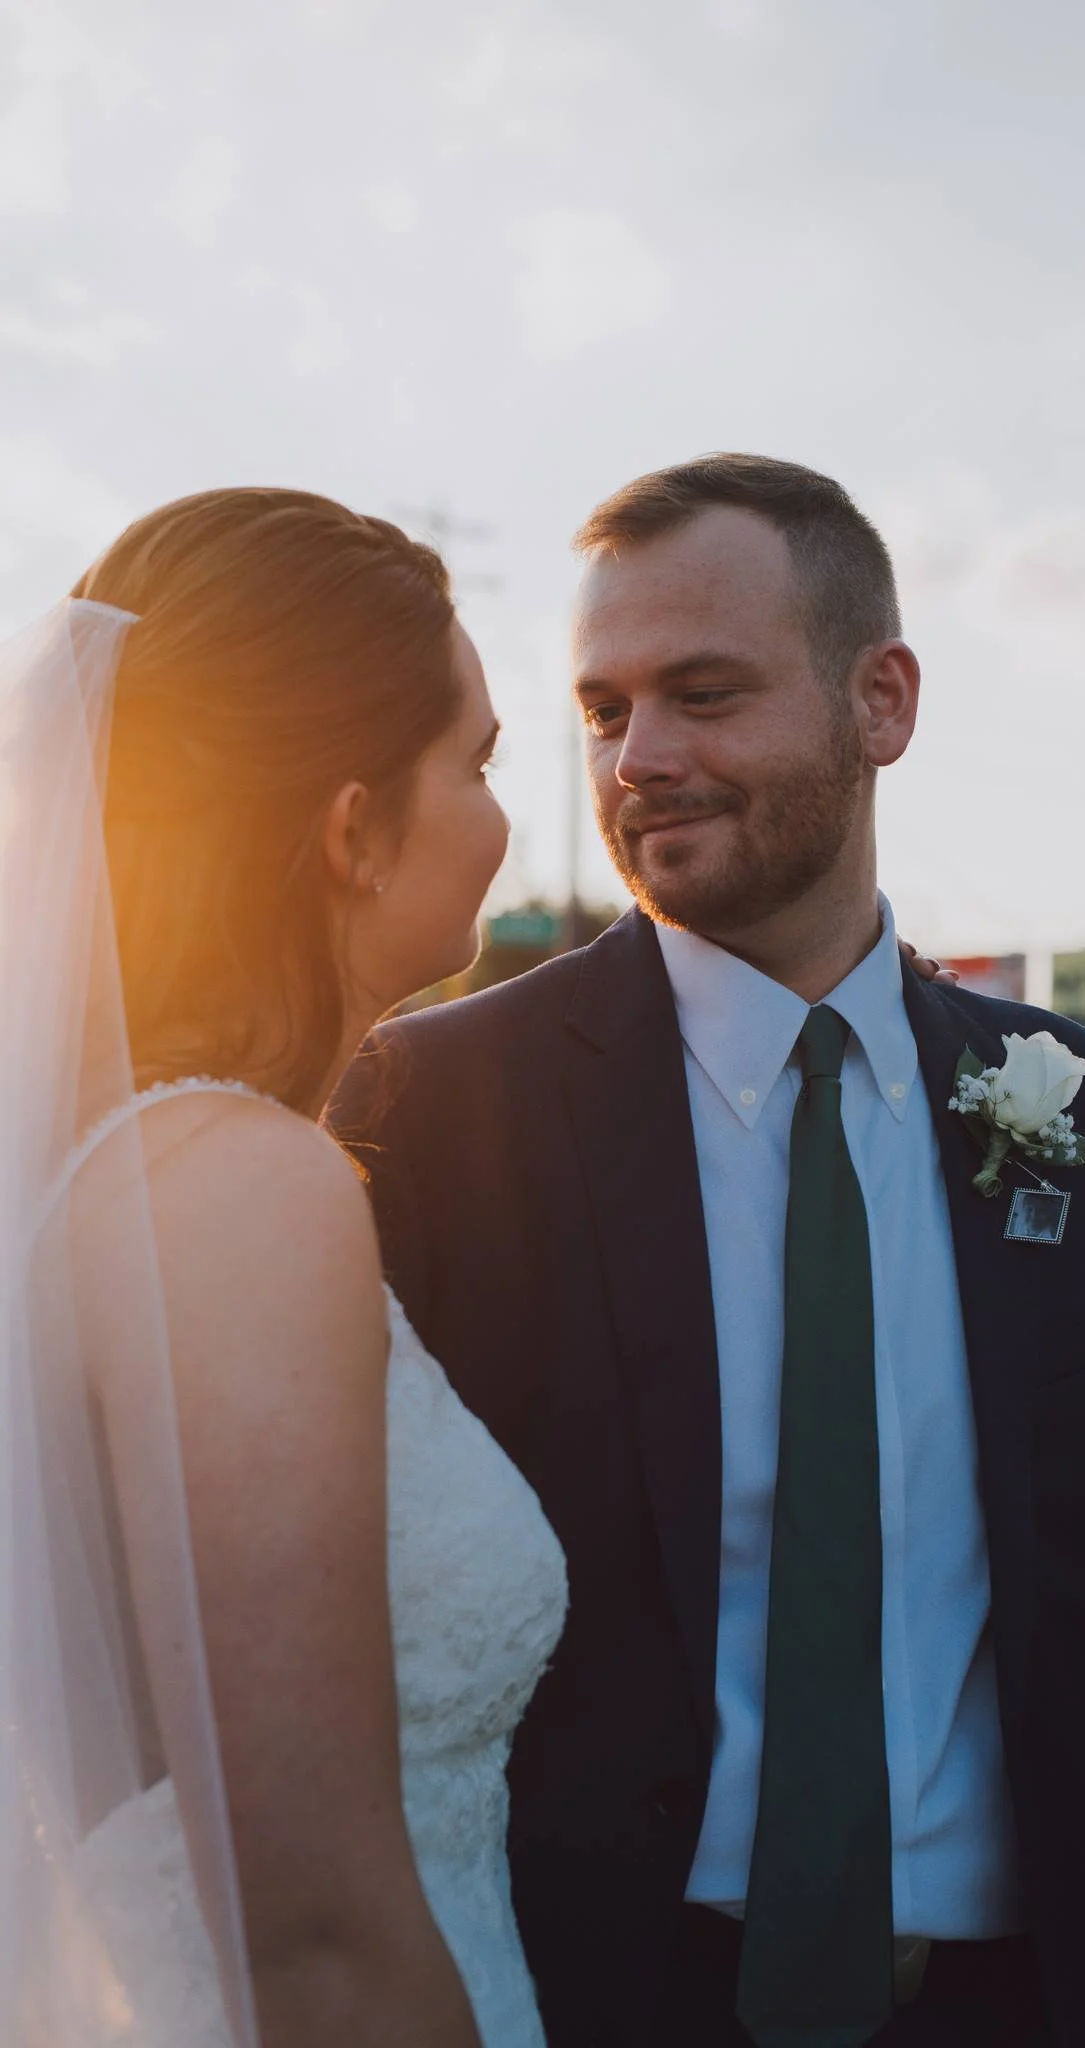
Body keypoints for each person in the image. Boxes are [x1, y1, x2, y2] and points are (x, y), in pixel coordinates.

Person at [335, 453, 1085, 2048]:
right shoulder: (436, 1107)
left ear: (883, 702)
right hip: (599, 2005)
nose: (639, 758)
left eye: (704, 694)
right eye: (603, 709)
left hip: (1020, 2005)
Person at [0, 488, 568, 2048]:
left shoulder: (112, 1168)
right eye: (478, 763)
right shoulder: (235, 1187)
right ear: (348, 828)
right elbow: (314, 1936)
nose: (502, 814)